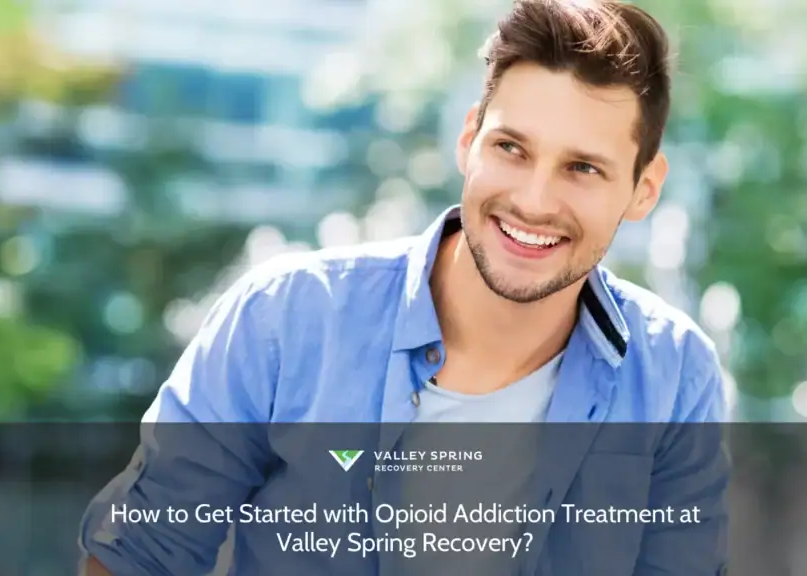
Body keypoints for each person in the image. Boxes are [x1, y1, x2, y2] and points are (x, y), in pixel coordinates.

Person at [79, 0, 729, 574]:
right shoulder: (285, 318)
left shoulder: (674, 375)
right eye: (511, 148)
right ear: (469, 139)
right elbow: (140, 552)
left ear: (644, 189)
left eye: (582, 168)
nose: (534, 201)